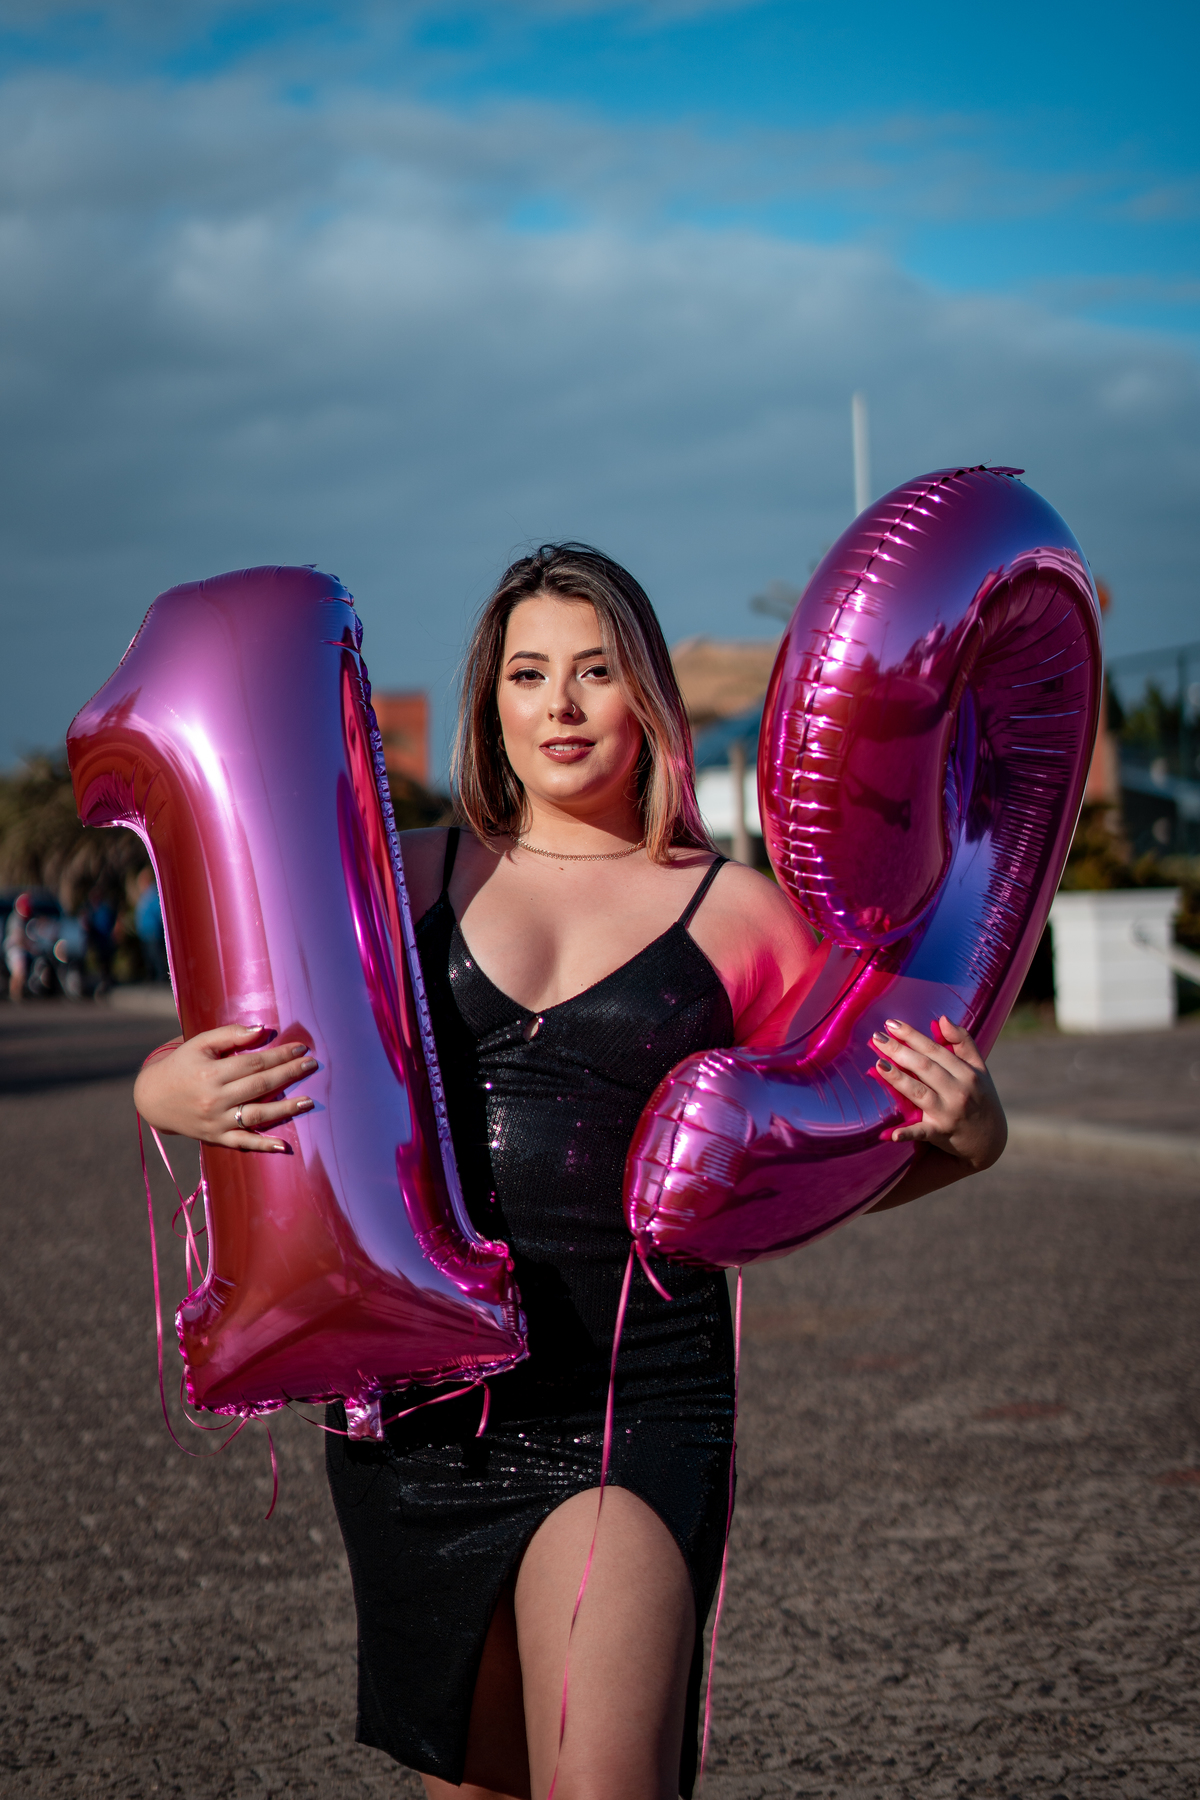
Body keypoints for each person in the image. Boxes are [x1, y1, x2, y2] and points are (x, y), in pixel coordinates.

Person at [131, 544, 1007, 1800]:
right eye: (530, 673)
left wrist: (970, 1139)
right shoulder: (404, 873)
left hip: (630, 1403)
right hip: (420, 1422)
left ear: (646, 695)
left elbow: (842, 1156)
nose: (563, 703)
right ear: (492, 703)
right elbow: (248, 1033)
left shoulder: (742, 915)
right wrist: (166, 1089)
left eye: (596, 671)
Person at [133, 867, 169, 984]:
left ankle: (161, 978)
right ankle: (153, 978)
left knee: (156, 956)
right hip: (145, 933)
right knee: (149, 957)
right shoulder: (144, 895)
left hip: (153, 932)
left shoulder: (153, 893)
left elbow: (158, 912)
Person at [4, 892, 32, 1002]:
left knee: (21, 973)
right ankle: (15, 994)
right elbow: (18, 937)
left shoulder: (20, 919)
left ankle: (17, 993)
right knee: (18, 972)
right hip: (14, 949)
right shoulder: (15, 919)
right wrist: (28, 945)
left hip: (19, 949)